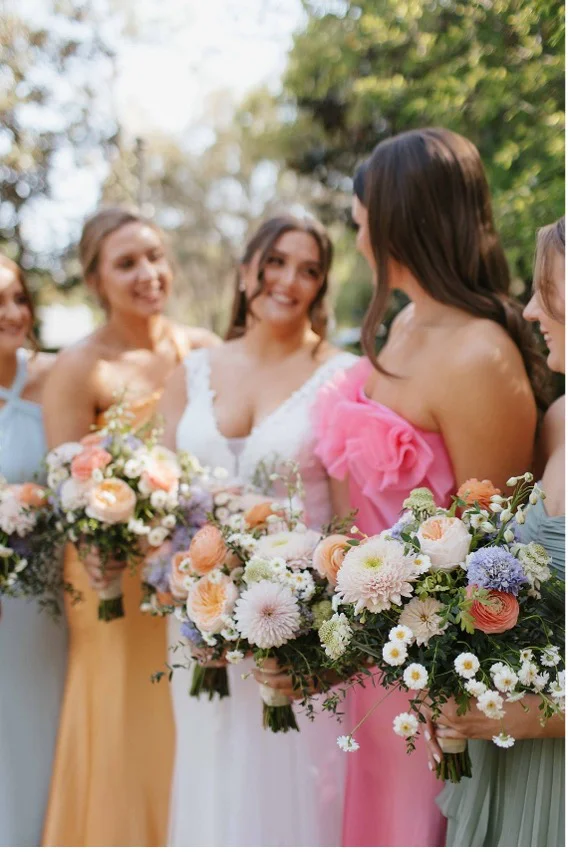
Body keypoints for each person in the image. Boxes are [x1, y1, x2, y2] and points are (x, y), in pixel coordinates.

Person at [310, 128, 544, 847]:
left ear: (398, 215)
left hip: (435, 683)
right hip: (372, 665)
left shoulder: (481, 355)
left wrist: (445, 683)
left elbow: (498, 551)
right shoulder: (404, 324)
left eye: (359, 218)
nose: (354, 234)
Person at [158, 213, 358, 846]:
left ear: (321, 288)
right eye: (275, 262)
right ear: (246, 272)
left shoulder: (344, 377)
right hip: (196, 621)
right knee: (209, 775)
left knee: (290, 794)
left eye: (308, 270)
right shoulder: (190, 371)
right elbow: (163, 500)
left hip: (292, 629)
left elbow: (351, 524)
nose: (287, 280)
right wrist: (174, 575)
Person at [41, 207, 219, 846]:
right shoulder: (79, 368)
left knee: (191, 721)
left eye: (154, 256)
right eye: (126, 263)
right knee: (120, 718)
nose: (148, 273)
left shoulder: (201, 351)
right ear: (96, 281)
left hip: (189, 570)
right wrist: (109, 538)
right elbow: (70, 488)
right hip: (108, 575)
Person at [431, 216, 565, 847]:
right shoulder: (559, 422)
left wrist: (501, 715)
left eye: (549, 288)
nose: (533, 308)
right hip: (508, 769)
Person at [0, 255, 67, 846]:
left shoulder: (51, 378)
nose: (14, 313)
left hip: (40, 609)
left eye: (18, 297)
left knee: (35, 743)